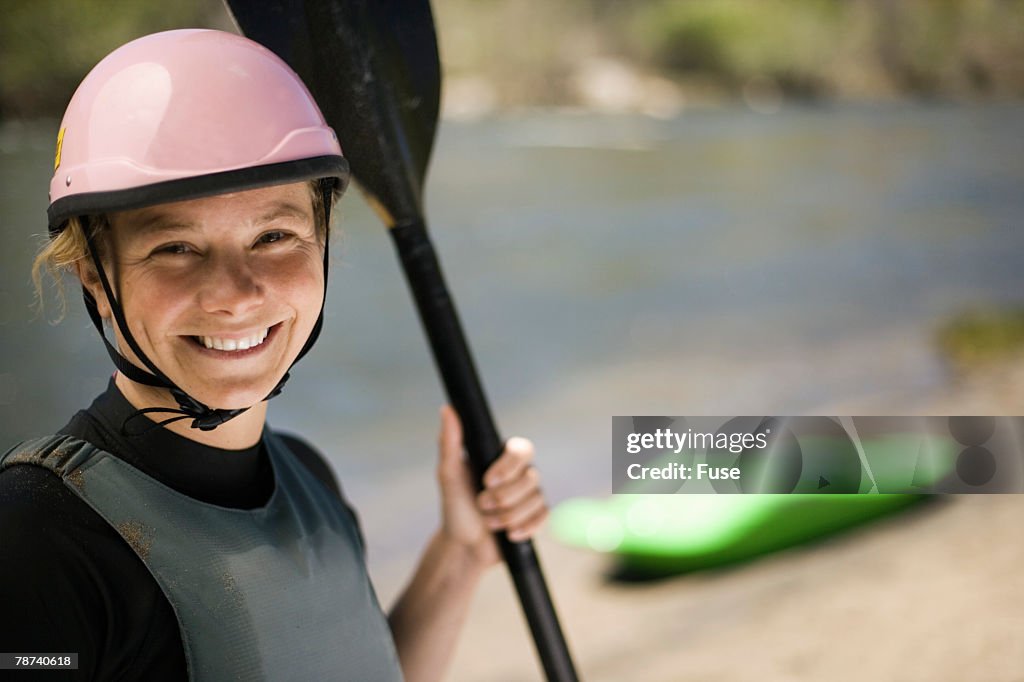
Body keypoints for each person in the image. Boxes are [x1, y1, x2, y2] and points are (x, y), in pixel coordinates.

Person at [0, 29, 548, 681]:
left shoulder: (309, 477)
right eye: (176, 247)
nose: (235, 295)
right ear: (94, 271)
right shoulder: (34, 535)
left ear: (321, 243)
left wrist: (459, 554)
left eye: (274, 235)